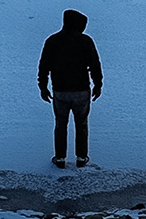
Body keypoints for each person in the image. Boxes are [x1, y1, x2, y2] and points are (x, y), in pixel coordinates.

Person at [38, 9, 103, 168]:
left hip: (60, 90)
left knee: (61, 124)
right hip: (81, 90)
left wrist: (43, 86)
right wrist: (98, 84)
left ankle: (60, 158)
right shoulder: (86, 41)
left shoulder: (52, 41)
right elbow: (95, 64)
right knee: (81, 124)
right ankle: (81, 158)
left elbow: (44, 65)